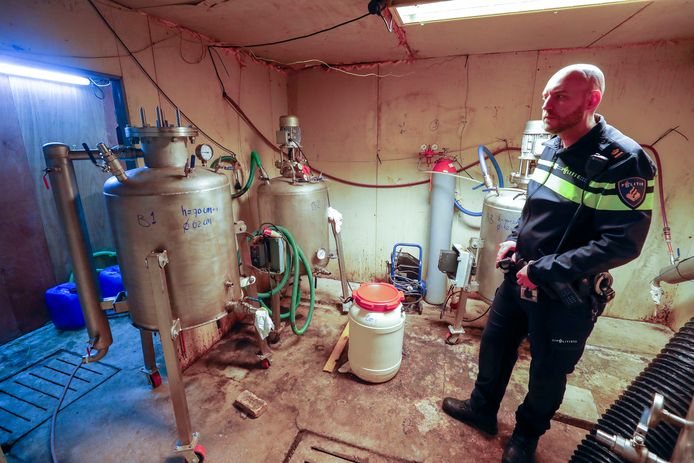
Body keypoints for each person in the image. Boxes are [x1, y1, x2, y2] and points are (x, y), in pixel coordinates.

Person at [441, 64, 656, 463]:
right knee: (495, 347)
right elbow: (533, 204)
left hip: (564, 294)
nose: (547, 105)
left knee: (547, 372)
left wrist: (544, 270)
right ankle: (482, 410)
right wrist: (513, 239)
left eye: (560, 97)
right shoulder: (552, 145)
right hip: (519, 277)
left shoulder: (625, 160)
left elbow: (622, 243)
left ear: (592, 100)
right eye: (546, 96)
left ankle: (526, 437)